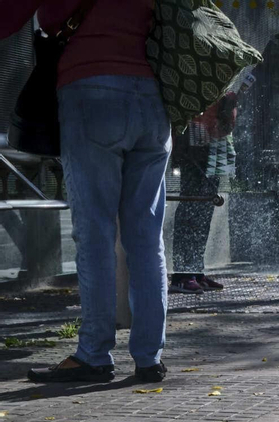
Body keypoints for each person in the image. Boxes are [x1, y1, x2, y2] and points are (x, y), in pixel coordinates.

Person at [6, 0, 171, 384]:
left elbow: (33, 15)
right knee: (146, 236)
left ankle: (94, 354)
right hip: (153, 97)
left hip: (92, 90)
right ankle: (150, 358)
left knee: (94, 231)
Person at [170, 91, 238, 294]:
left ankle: (196, 270)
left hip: (214, 144)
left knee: (205, 208)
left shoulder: (225, 82)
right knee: (191, 206)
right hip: (194, 141)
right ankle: (182, 274)